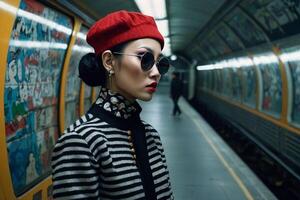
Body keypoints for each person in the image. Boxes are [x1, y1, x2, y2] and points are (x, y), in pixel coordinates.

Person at [51, 10, 173, 200]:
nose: (156, 72)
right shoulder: (81, 142)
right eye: (145, 59)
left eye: (160, 63)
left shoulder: (151, 136)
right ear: (109, 61)